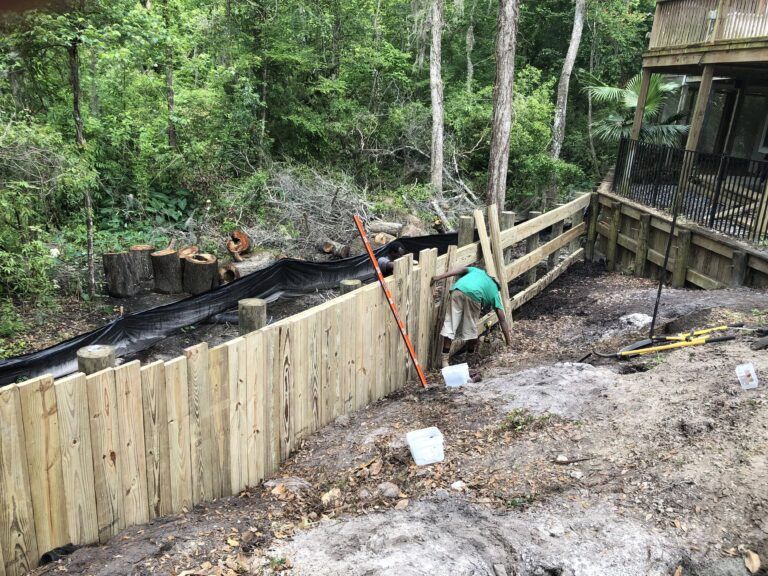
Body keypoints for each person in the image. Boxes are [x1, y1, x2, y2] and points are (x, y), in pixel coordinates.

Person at [430, 266, 512, 367]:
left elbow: (459, 269)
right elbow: (502, 318)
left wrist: (439, 277)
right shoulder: (495, 291)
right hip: (474, 296)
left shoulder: (477, 271)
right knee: (471, 330)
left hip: (457, 290)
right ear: (497, 286)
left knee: (450, 324)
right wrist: (508, 343)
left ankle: (444, 361)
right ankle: (469, 359)